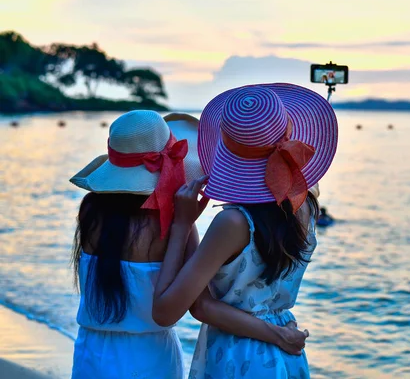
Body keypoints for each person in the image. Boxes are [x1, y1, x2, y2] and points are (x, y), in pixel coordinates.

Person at [69, 110, 307, 379]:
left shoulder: (90, 212)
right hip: (150, 357)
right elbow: (183, 308)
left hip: (89, 349)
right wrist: (183, 224)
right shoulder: (172, 225)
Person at [152, 83, 338, 378]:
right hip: (286, 347)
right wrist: (279, 336)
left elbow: (169, 311)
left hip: (239, 354)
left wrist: (182, 225)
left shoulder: (234, 222)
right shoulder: (307, 202)